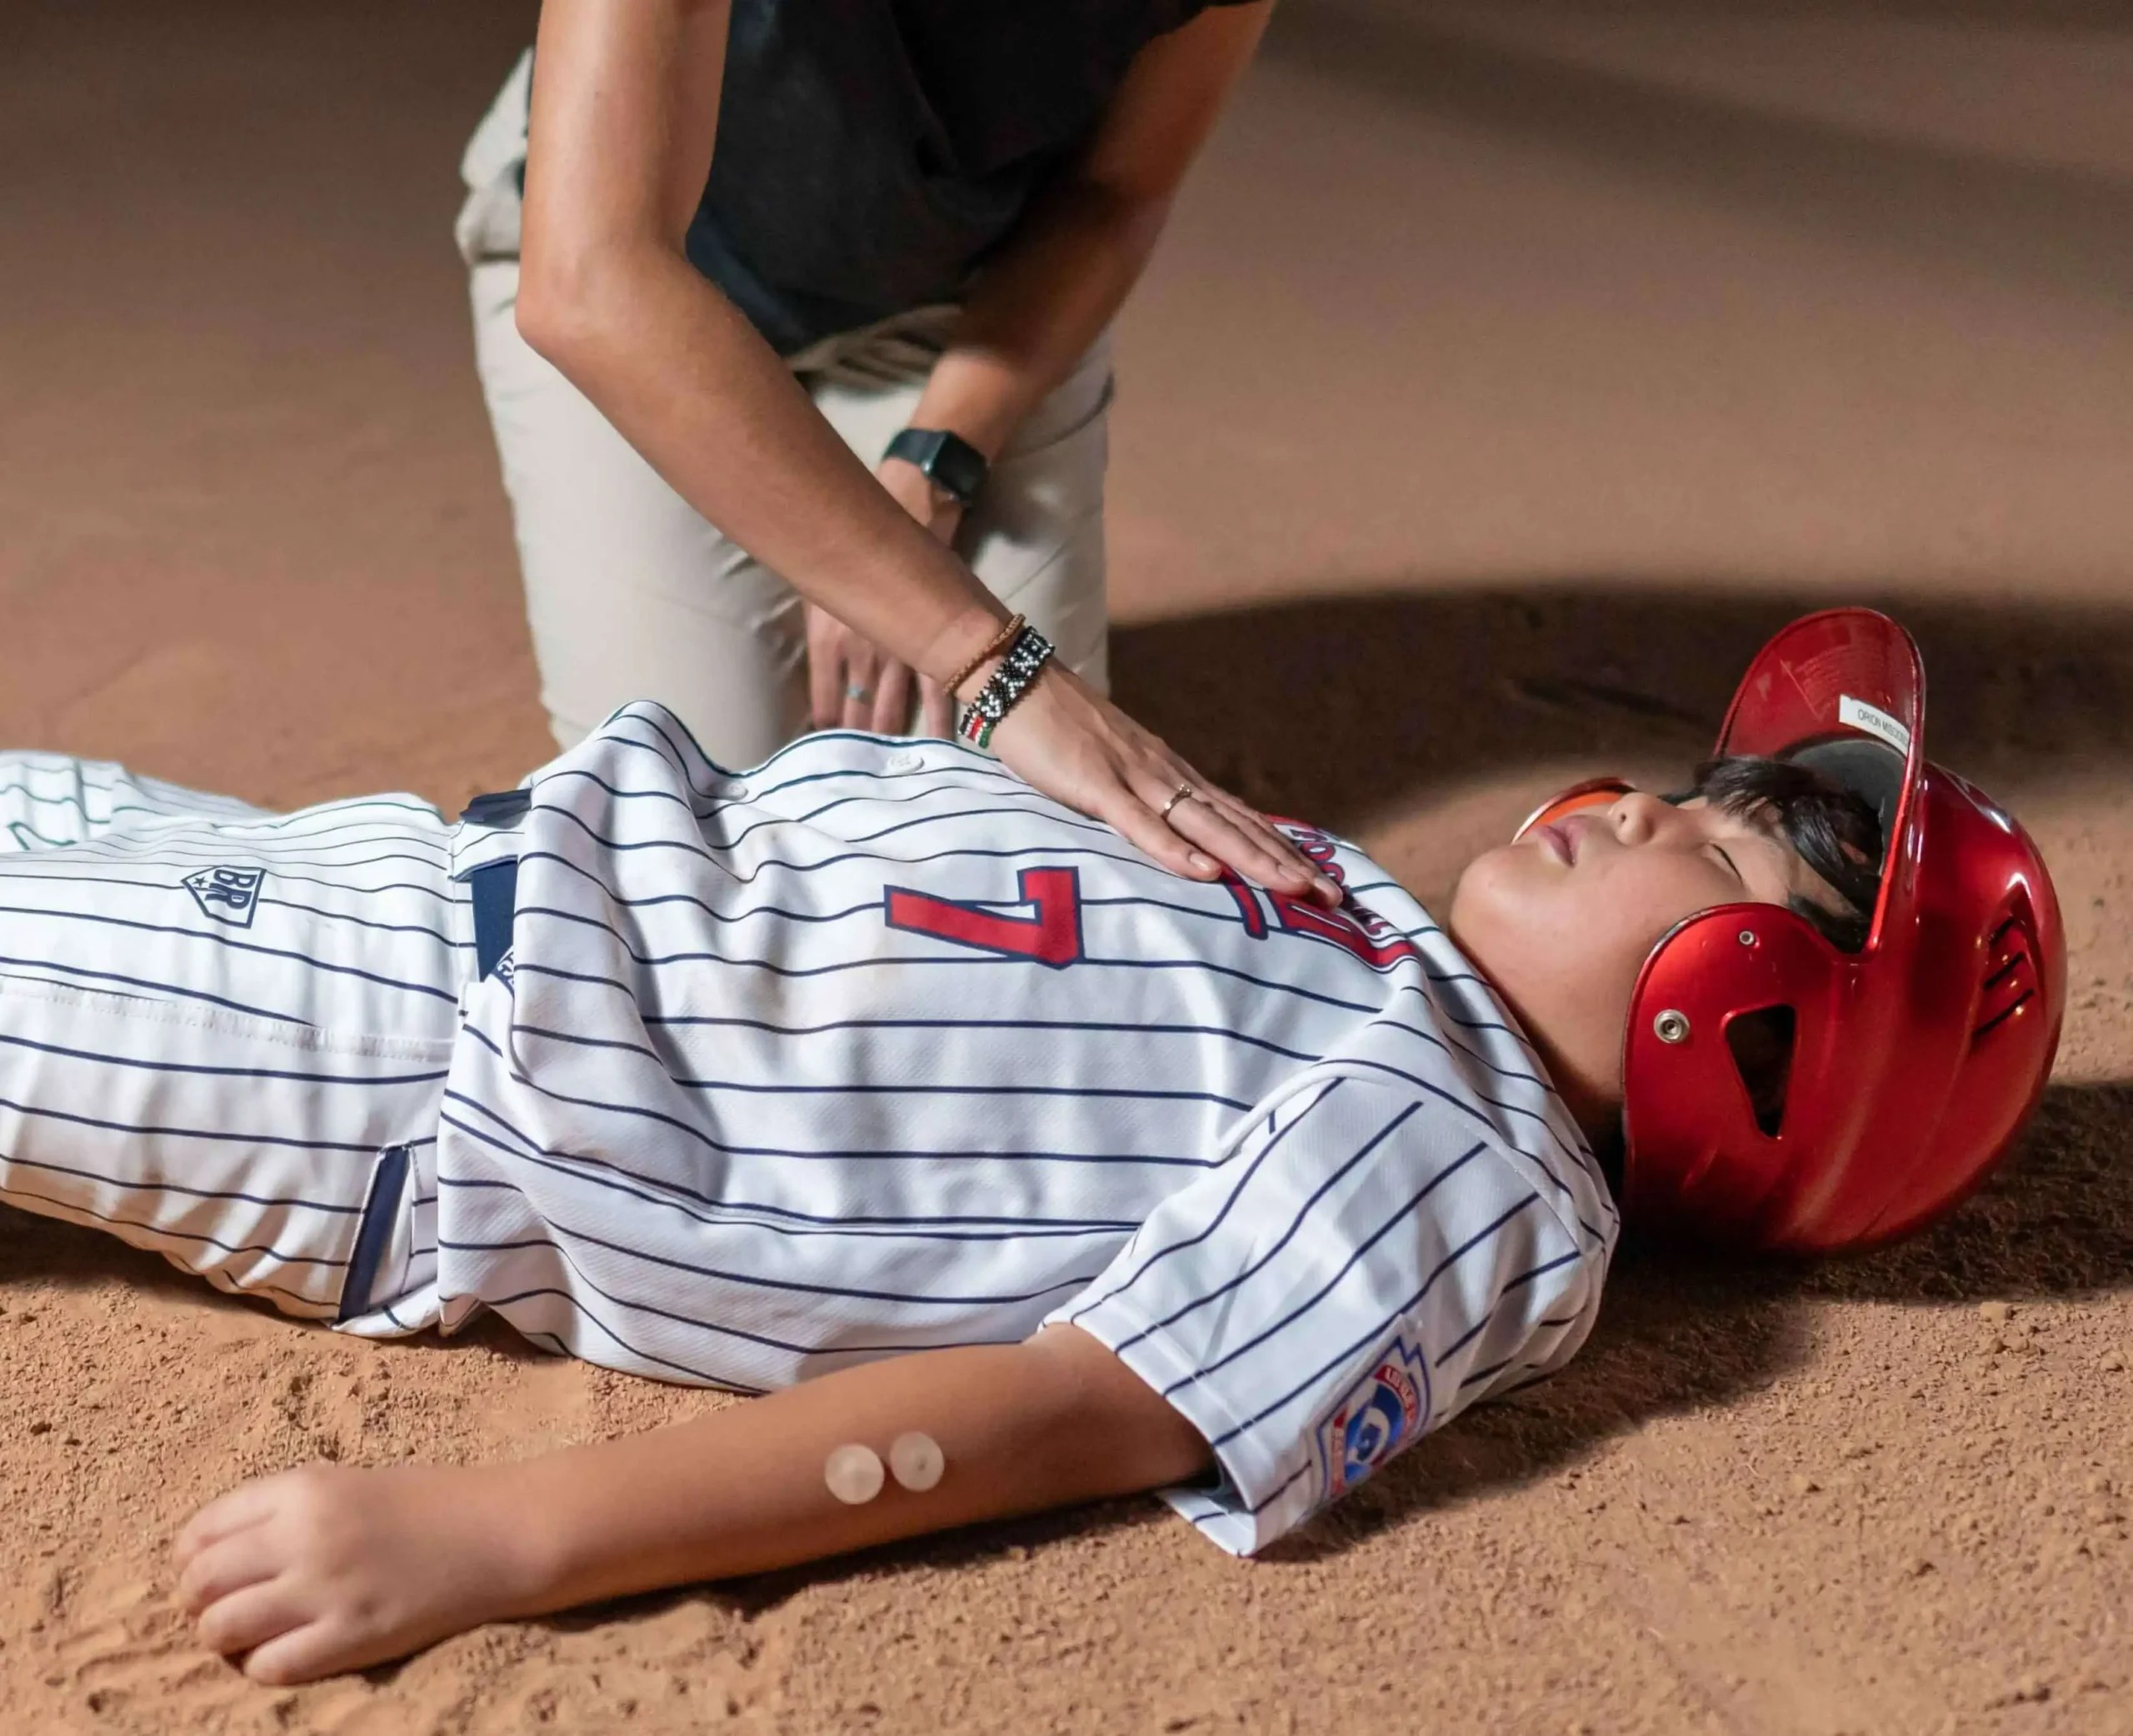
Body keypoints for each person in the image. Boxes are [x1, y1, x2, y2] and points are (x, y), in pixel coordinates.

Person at [0, 611, 2063, 1684]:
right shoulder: (1381, 926)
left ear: (1748, 1048)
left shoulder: (1473, 1173)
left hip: (395, 1061)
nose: (1624, 801)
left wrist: (502, 1544)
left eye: (1701, 845)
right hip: (388, 874)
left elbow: (1054, 1414)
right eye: (1683, 787)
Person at [454, 1, 1315, 905]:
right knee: (695, 851)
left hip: (962, 298)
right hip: (651, 274)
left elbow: (1116, 192)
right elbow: (593, 277)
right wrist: (994, 661)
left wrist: (939, 457)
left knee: (1033, 853)